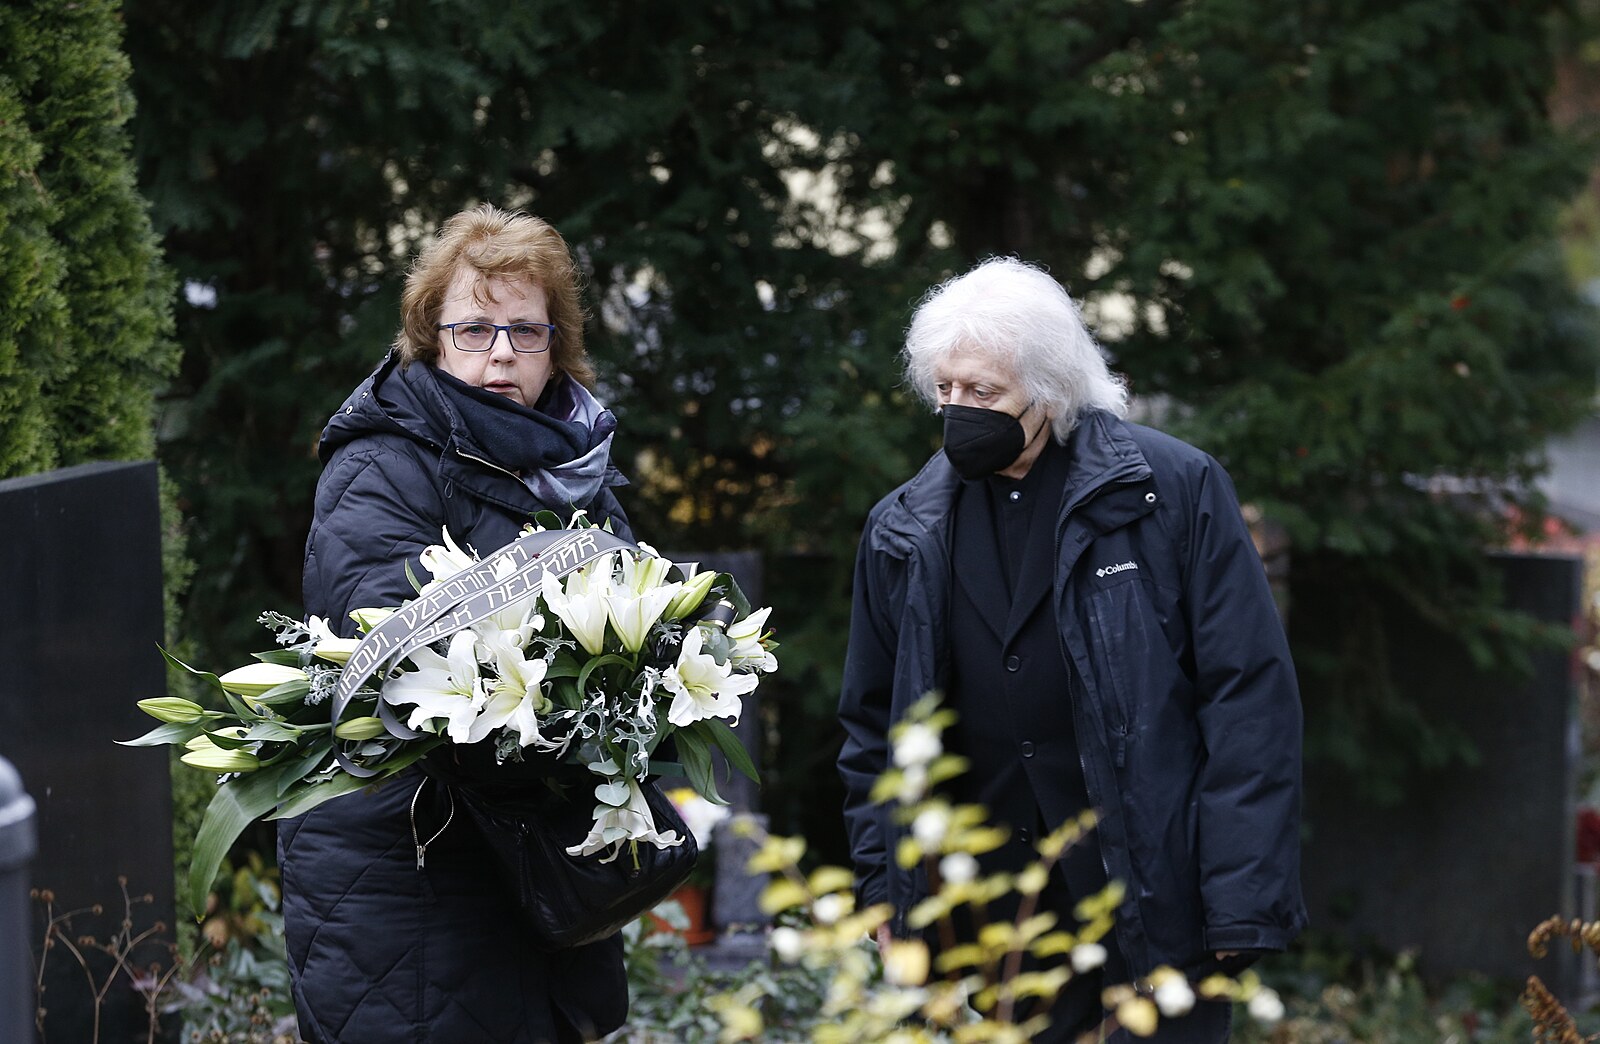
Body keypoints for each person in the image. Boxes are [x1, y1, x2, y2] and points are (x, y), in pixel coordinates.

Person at [837, 257, 1307, 1042]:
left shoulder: (1169, 491)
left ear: (1051, 391)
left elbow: (1248, 702)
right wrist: (885, 891)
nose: (959, 411)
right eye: (945, 389)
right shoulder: (904, 527)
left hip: (1156, 901)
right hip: (993, 921)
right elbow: (870, 726)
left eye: (984, 392)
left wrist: (1241, 901)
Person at [279, 204, 633, 1043]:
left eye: (526, 331)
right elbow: (394, 649)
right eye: (473, 329)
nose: (501, 353)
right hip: (410, 877)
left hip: (536, 865)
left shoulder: (575, 470)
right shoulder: (380, 463)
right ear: (431, 340)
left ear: (556, 347)